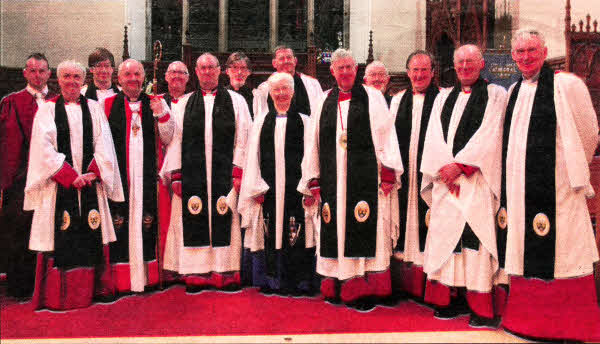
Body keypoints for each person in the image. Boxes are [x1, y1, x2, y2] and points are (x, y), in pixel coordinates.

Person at [500, 28, 600, 342]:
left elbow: (589, 131)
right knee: (525, 249)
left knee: (563, 253)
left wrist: (571, 173)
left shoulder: (566, 84)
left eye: (532, 50)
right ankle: (527, 323)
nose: (526, 57)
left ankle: (568, 326)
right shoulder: (513, 90)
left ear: (545, 52)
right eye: (520, 52)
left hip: (559, 190)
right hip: (521, 190)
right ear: (513, 56)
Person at [299, 48, 403, 311]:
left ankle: (364, 289)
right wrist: (312, 178)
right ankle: (336, 284)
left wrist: (389, 171)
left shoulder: (373, 97)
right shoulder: (323, 101)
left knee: (363, 225)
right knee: (334, 229)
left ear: (355, 70)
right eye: (339, 68)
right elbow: (312, 142)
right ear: (332, 72)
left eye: (349, 67)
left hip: (365, 180)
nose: (345, 72)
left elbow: (386, 134)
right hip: (333, 182)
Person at [420, 44, 507, 327]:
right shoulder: (444, 98)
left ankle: (480, 307)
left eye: (471, 62)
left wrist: (462, 166)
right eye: (460, 63)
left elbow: (490, 134)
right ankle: (450, 300)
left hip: (476, 181)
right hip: (447, 183)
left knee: (474, 240)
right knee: (448, 240)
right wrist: (445, 168)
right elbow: (433, 136)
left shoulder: (495, 95)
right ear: (454, 66)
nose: (465, 67)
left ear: (482, 64)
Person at [25, 60, 123, 310]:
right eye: (66, 76)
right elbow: (42, 148)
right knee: (58, 236)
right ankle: (58, 297)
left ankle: (93, 291)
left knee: (92, 232)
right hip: (58, 187)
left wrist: (91, 174)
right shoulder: (47, 109)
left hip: (90, 185)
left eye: (76, 77)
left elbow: (105, 145)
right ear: (58, 80)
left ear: (83, 81)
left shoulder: (94, 108)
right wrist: (69, 175)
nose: (71, 81)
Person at [159, 53, 251, 293]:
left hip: (225, 174)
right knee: (193, 216)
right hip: (192, 176)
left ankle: (225, 273)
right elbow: (175, 141)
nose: (207, 72)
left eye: (212, 68)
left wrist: (239, 170)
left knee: (224, 217)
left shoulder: (236, 101)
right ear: (196, 73)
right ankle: (196, 274)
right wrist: (176, 174)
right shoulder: (184, 103)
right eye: (202, 68)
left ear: (220, 71)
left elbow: (244, 137)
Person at [239, 72, 317, 296]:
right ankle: (271, 280)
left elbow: (312, 157)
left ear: (293, 92)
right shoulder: (261, 122)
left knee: (297, 231)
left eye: (285, 89)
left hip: (297, 191)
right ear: (270, 93)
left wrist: (309, 186)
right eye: (276, 90)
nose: (281, 94)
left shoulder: (305, 121)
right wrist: (256, 187)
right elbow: (252, 158)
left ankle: (299, 282)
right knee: (270, 230)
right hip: (268, 191)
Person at [100, 58, 173, 298]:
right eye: (127, 74)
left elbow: (168, 138)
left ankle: (147, 277)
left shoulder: (155, 103)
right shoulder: (107, 105)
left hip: (146, 179)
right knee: (120, 224)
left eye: (137, 74)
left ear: (144, 77)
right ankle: (121, 281)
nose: (133, 79)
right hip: (119, 178)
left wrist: (162, 115)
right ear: (118, 79)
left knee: (146, 223)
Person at [0, 53, 53, 300]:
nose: (37, 75)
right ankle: (21, 287)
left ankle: (49, 286)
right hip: (20, 179)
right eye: (32, 70)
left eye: (42, 71)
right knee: (19, 232)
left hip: (52, 177)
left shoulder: (58, 101)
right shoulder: (11, 102)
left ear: (49, 74)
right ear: (24, 73)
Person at [388, 51, 438, 304]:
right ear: (407, 72)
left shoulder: (442, 100)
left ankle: (424, 285)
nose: (419, 75)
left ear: (432, 72)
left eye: (424, 70)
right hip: (403, 174)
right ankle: (403, 284)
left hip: (429, 176)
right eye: (414, 70)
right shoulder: (397, 101)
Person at [255, 45, 323, 117]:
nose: (286, 61)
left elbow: (320, 113)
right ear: (274, 63)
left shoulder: (312, 84)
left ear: (295, 61)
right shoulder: (264, 88)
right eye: (281, 59)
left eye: (289, 57)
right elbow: (259, 117)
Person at [225, 52, 255, 120]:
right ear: (227, 71)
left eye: (243, 68)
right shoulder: (221, 95)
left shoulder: (255, 96)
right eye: (235, 67)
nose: (239, 72)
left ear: (249, 72)